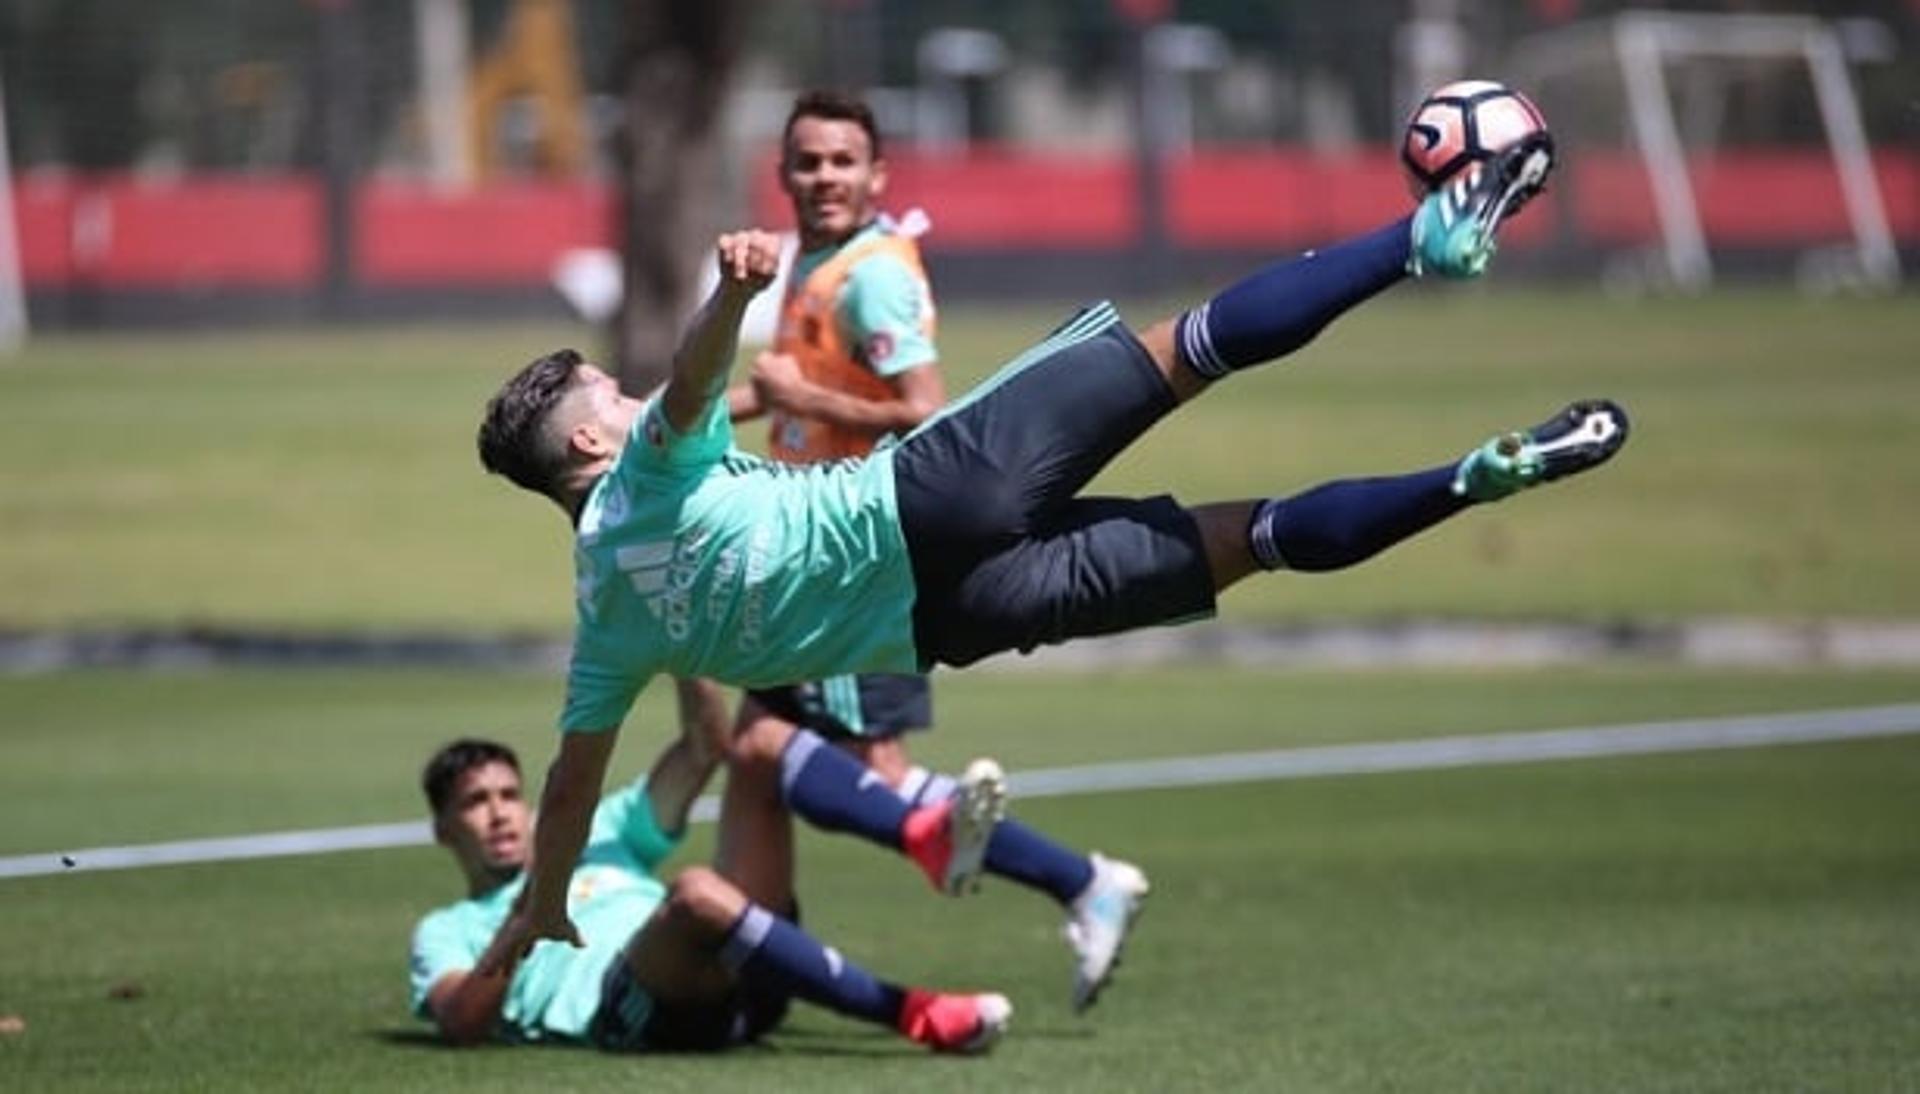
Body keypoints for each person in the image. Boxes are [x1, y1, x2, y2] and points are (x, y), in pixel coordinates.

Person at [475, 131, 1630, 961]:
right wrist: (732, 298)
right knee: (1193, 348)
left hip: (959, 617)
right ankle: (1419, 240)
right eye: (602, 392)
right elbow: (685, 386)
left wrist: (542, 903)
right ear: (586, 436)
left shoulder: (603, 619)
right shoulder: (642, 465)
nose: (621, 396)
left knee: (1254, 538)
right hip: (928, 496)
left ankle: (1466, 482)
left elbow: (574, 782)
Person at [724, 88, 1150, 1013]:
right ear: (784, 174)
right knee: (756, 752)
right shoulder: (817, 261)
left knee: (841, 767)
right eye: (809, 161)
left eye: (844, 161)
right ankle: (754, 956)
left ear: (878, 174)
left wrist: (808, 403)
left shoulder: (873, 273)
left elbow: (928, 410)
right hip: (802, 552)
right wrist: (662, 430)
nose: (825, 176)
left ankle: (1080, 880)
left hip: (851, 561)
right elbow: (783, 388)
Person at [410, 677, 1018, 1053]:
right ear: (443, 829)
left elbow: (705, 748)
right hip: (632, 1011)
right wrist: (528, 910)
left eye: (508, 796)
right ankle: (911, 1012)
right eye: (475, 803)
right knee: (697, 891)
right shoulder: (447, 928)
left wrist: (677, 639)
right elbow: (463, 1022)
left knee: (759, 746)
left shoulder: (596, 835)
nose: (499, 815)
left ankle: (919, 835)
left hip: (740, 965)